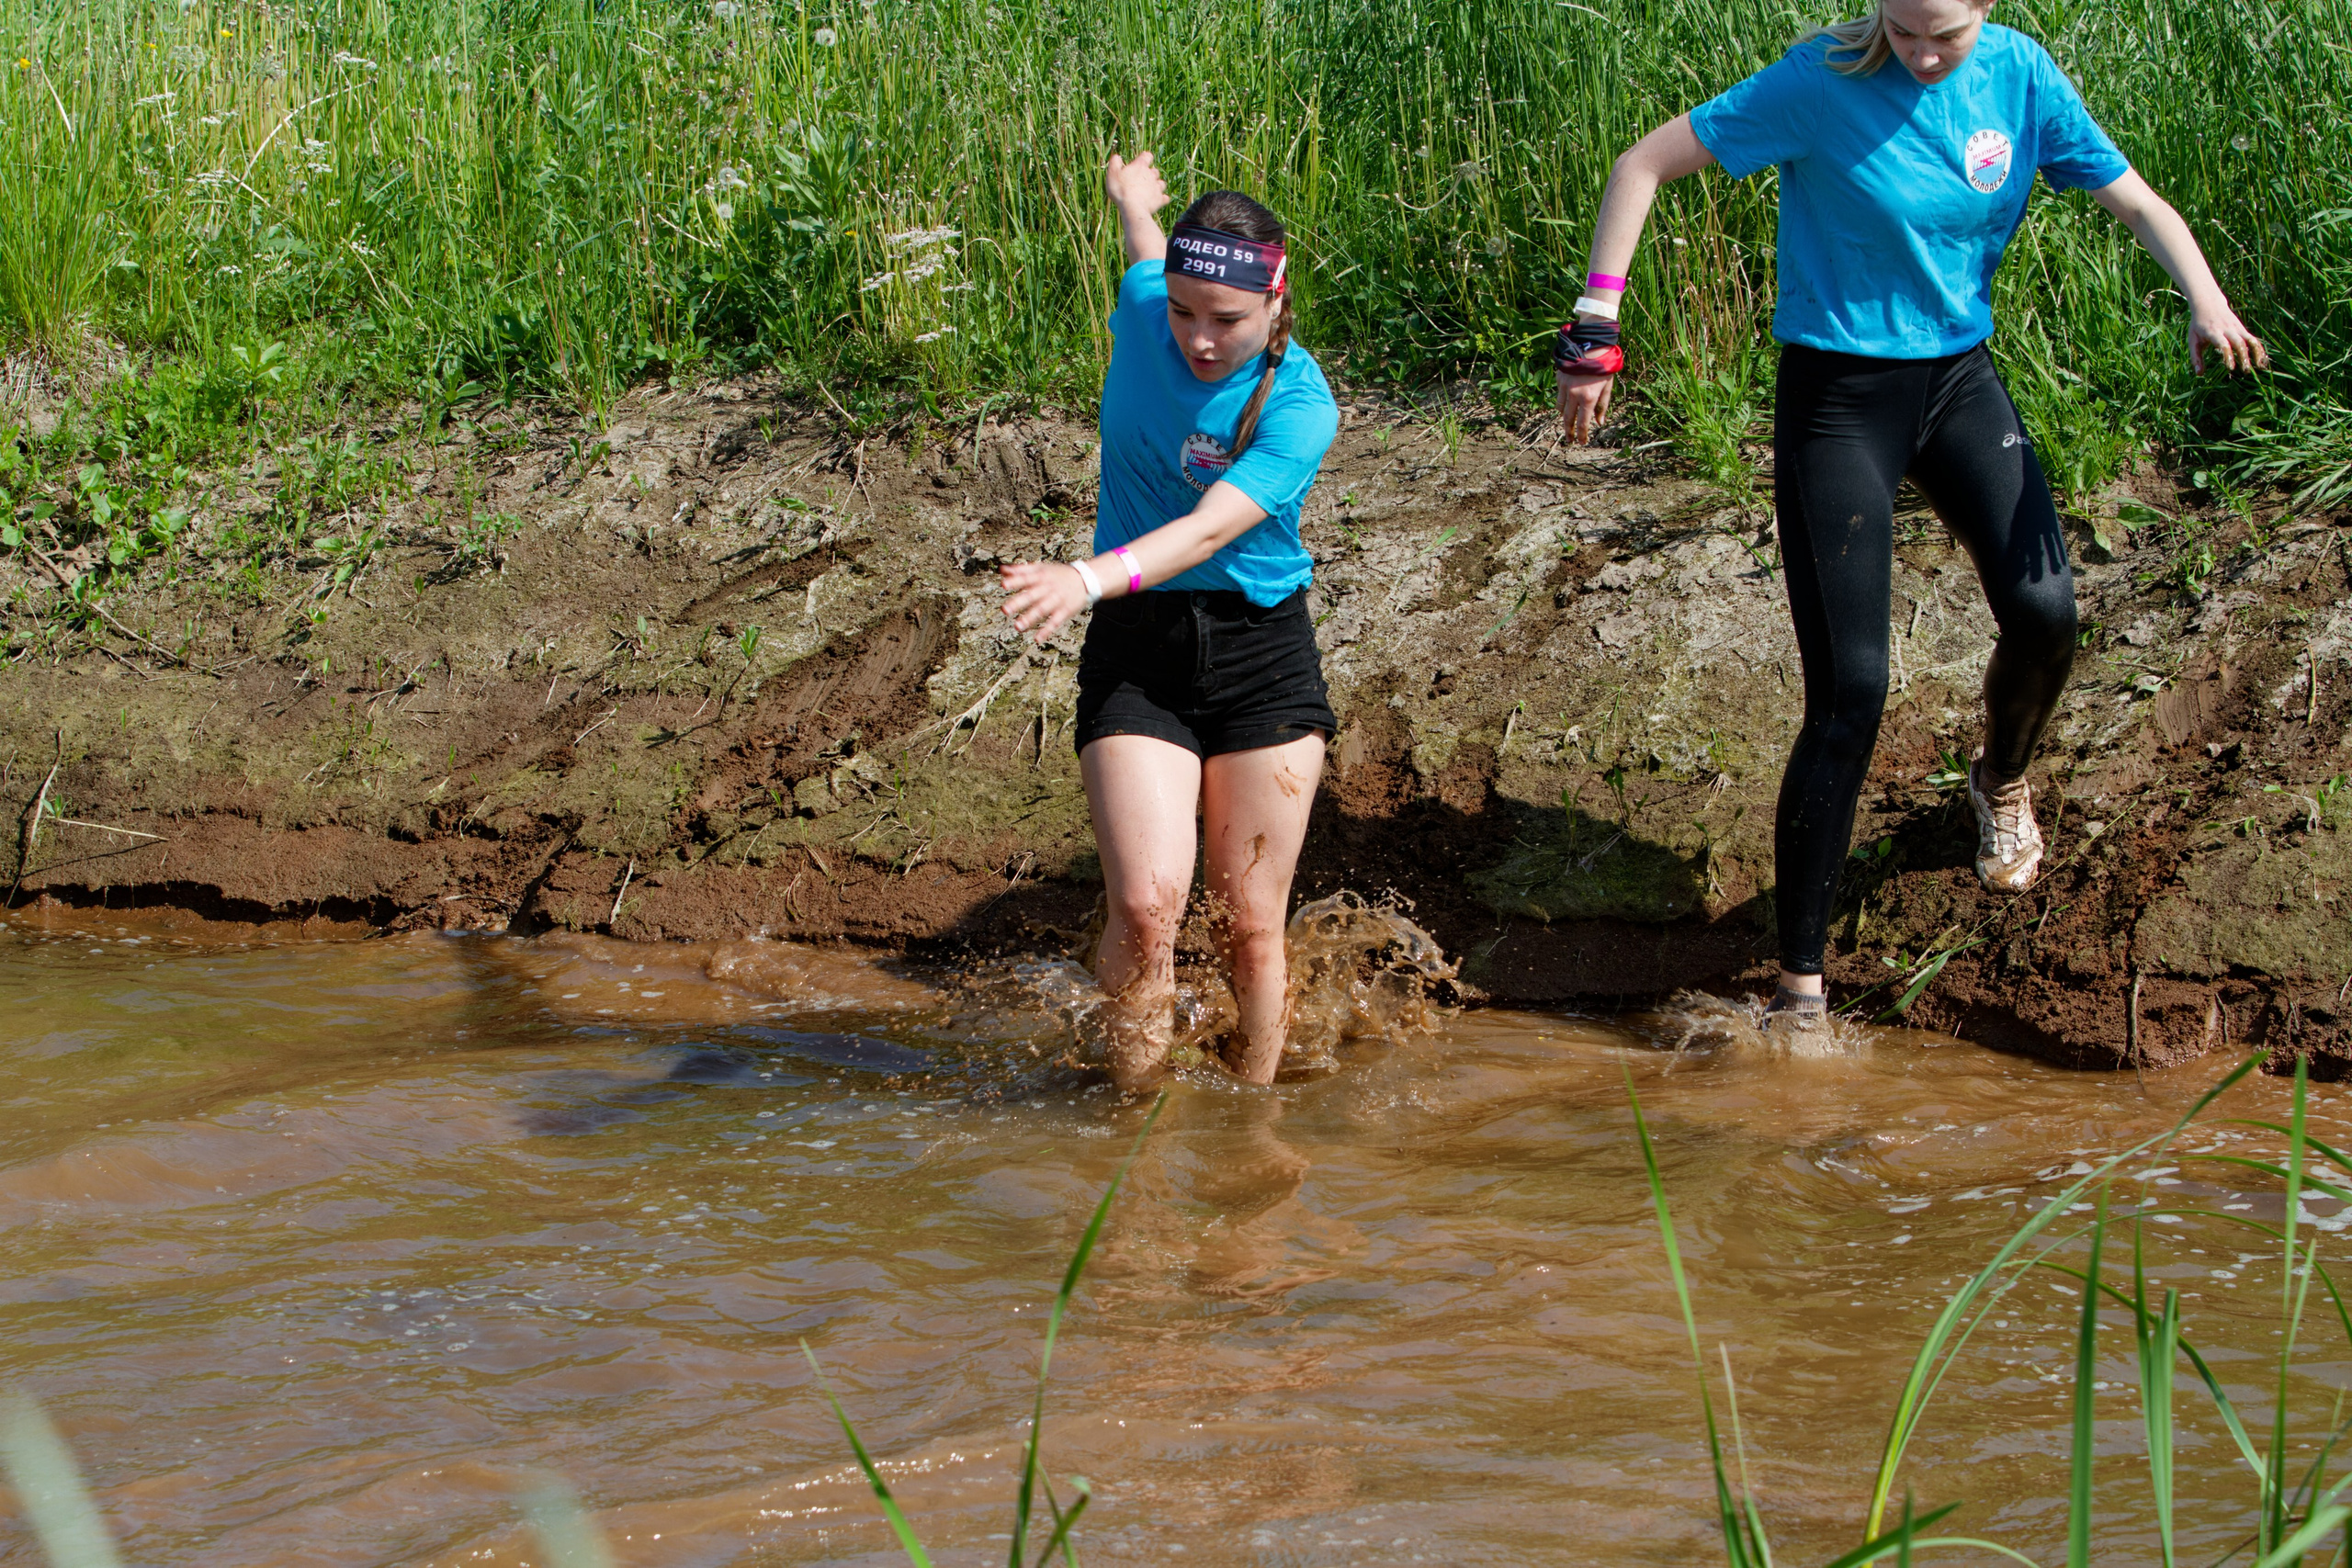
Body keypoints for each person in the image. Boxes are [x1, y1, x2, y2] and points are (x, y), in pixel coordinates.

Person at [1554, 0, 2266, 1028]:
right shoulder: (1819, 78)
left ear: (1986, 10)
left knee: (2047, 614)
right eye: (1904, 31)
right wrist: (1596, 323)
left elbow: (2136, 199)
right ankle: (1800, 993)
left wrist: (2205, 296)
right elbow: (1641, 166)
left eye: (1945, 36)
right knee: (1852, 692)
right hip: (1838, 402)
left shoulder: (2020, 75)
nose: (1924, 56)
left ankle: (2000, 780)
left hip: (1957, 383)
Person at [999, 152, 1341, 1085]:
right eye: (1185, 312)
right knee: (1148, 910)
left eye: (1227, 320)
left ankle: (1257, 1116)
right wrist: (1129, 200)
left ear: (1275, 302)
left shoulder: (1300, 405)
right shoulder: (1147, 300)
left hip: (1261, 656)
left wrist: (1084, 577)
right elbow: (1146, 253)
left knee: (1248, 925)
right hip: (1139, 653)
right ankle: (1129, 1120)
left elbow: (1206, 531)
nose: (1199, 338)